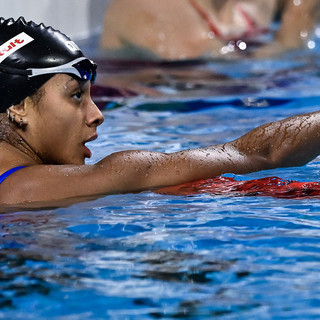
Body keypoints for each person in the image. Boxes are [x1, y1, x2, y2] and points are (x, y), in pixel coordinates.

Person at [1, 16, 320, 208]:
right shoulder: (28, 189)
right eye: (75, 96)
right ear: (19, 106)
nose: (97, 114)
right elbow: (260, 155)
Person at [100, 0, 320, 61]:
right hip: (156, 118)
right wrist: (295, 27)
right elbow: (230, 84)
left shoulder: (253, 4)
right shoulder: (149, 6)